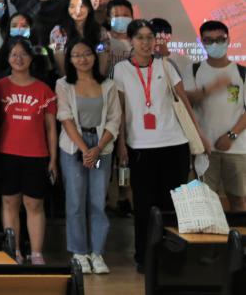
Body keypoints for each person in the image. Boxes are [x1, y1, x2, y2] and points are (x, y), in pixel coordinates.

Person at [117, 18, 209, 270]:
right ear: (130, 40)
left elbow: (184, 102)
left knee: (173, 205)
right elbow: (120, 110)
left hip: (174, 145)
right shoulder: (121, 70)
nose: (146, 43)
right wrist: (121, 144)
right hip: (140, 148)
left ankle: (171, 257)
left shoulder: (166, 65)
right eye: (140, 38)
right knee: (144, 206)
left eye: (150, 37)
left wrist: (199, 134)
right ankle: (144, 257)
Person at [56, 36, 120, 275]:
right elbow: (65, 117)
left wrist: (97, 149)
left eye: (87, 54)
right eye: (76, 55)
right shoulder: (63, 84)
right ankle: (79, 252)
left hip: (101, 147)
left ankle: (97, 252)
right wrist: (85, 150)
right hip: (74, 148)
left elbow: (114, 119)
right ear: (70, 59)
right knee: (75, 201)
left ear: (95, 56)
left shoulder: (108, 85)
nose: (82, 59)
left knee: (97, 201)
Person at [0, 38, 58, 265]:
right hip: (6, 154)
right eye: (14, 54)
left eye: (23, 54)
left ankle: (37, 253)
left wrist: (53, 159)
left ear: (32, 58)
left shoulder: (44, 90)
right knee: (9, 203)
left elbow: (51, 128)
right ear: (7, 58)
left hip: (37, 155)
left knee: (34, 204)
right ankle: (14, 251)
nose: (19, 58)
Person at [184, 20, 246, 212]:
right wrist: (211, 88)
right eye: (209, 40)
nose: (215, 44)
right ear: (201, 42)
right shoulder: (193, 70)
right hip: (204, 149)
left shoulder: (241, 72)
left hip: (237, 148)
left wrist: (231, 136)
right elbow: (185, 101)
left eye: (220, 39)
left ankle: (238, 234)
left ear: (228, 40)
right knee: (204, 203)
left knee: (238, 201)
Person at [49, 0, 106, 76]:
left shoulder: (100, 31)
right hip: (69, 80)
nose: (77, 10)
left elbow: (103, 59)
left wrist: (97, 80)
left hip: (95, 79)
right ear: (67, 9)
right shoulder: (58, 32)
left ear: (89, 8)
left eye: (81, 6)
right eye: (72, 7)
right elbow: (61, 66)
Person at [105, 0, 135, 68]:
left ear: (132, 17)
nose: (121, 19)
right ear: (108, 19)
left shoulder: (138, 41)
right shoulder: (103, 39)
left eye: (125, 15)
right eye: (116, 16)